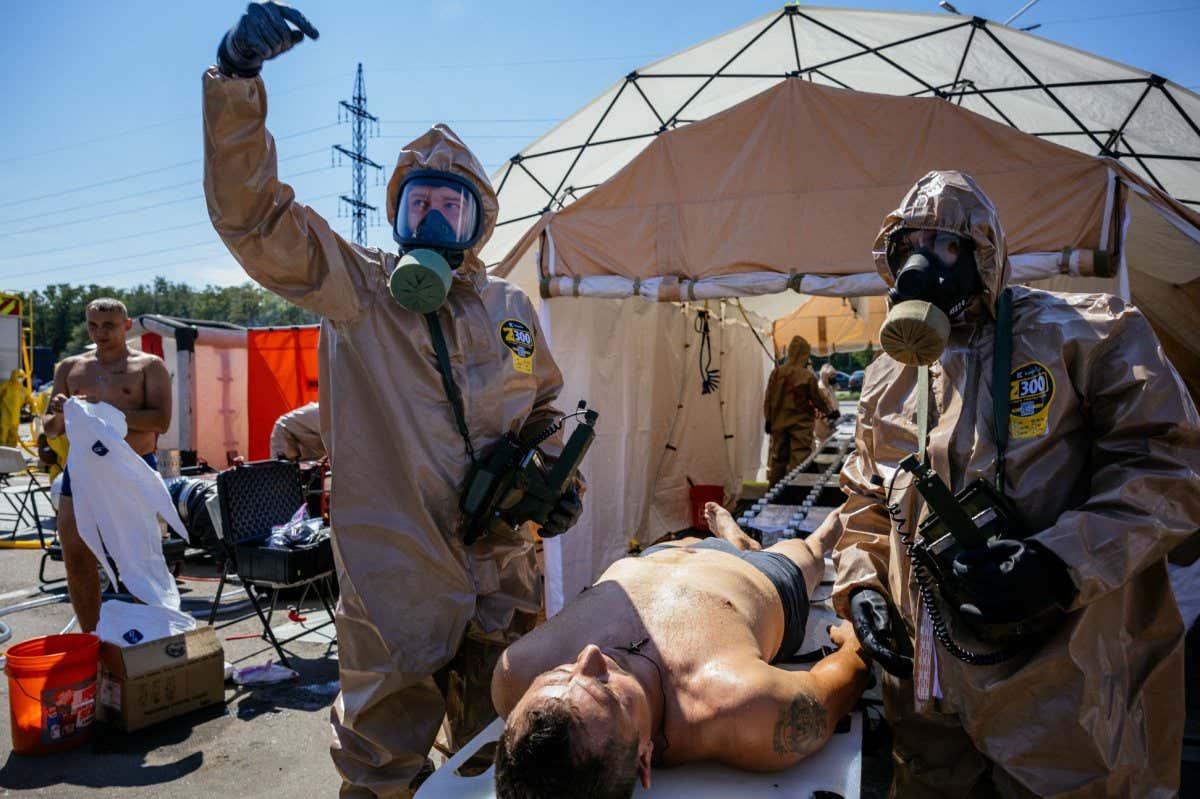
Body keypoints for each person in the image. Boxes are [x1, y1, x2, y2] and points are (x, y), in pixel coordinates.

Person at [205, 4, 582, 796]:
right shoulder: (359, 290)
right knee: (381, 768)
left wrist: (557, 477)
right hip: (394, 584)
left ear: (479, 218)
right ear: (397, 213)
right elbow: (255, 218)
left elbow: (546, 404)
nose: (433, 216)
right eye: (420, 202)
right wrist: (237, 80)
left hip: (503, 574)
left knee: (495, 746)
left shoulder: (510, 307)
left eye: (451, 204)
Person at [833, 170, 1200, 797]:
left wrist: (1059, 561)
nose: (924, 263)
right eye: (910, 245)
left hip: (1061, 689)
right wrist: (862, 586)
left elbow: (1170, 465)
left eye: (946, 246)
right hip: (927, 696)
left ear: (985, 252)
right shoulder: (889, 377)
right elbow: (868, 497)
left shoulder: (1087, 334)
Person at [492, 502, 869, 798]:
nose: (590, 655)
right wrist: (852, 640)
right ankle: (806, 543)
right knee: (804, 553)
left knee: (699, 541)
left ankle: (734, 538)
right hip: (762, 581)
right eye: (604, 688)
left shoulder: (517, 675)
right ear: (644, 758)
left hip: (666, 553)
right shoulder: (741, 706)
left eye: (560, 672)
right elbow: (844, 678)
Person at [42, 298, 172, 633]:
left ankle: (154, 636)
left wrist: (102, 410)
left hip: (131, 467)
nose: (100, 333)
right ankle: (91, 638)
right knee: (76, 553)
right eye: (93, 325)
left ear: (127, 326)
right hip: (84, 470)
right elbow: (51, 428)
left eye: (109, 326)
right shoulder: (70, 367)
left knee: (139, 559)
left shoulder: (149, 365)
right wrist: (60, 410)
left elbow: (161, 420)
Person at [763, 335, 837, 484]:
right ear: (805, 354)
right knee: (800, 460)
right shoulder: (806, 376)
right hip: (800, 426)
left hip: (778, 424)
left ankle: (773, 495)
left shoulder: (776, 373)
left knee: (778, 460)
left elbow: (768, 399)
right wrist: (831, 412)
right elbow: (818, 400)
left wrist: (768, 419)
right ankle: (797, 493)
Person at [0, 369, 32, 448]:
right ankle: (2, 448)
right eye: (18, 376)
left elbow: (30, 400)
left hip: (16, 414)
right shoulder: (6, 386)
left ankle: (12, 448)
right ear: (14, 376)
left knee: (14, 431)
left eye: (22, 377)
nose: (20, 378)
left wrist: (33, 410)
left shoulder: (23, 390)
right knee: (4, 430)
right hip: (6, 412)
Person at [812, 363, 840, 443]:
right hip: (824, 432)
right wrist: (833, 422)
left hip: (831, 431)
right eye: (832, 376)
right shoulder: (821, 389)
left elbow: (834, 404)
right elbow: (820, 412)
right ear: (825, 376)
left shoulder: (828, 386)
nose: (834, 378)